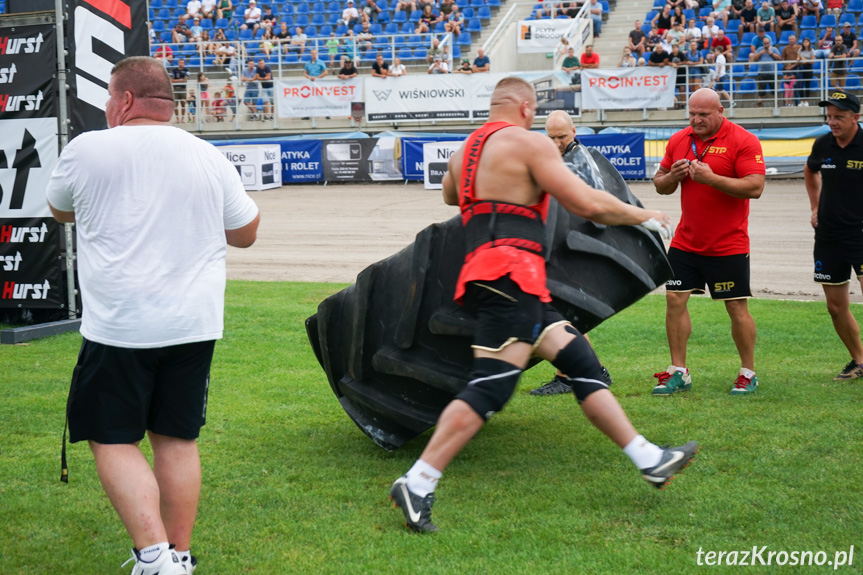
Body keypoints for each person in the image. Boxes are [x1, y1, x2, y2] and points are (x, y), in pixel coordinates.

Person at [387, 77, 697, 534]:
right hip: (511, 279)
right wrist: (643, 215)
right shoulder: (528, 145)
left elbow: (451, 196)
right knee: (489, 387)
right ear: (527, 108)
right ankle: (418, 481)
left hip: (494, 279)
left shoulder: (464, 152)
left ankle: (649, 458)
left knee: (581, 363)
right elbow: (587, 203)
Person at [46, 56, 259, 575]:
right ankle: (178, 557)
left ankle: (154, 555)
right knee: (177, 437)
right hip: (192, 323)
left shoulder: (88, 147)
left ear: (122, 100)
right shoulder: (207, 154)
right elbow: (247, 231)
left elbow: (61, 208)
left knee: (113, 437)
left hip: (120, 324)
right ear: (169, 102)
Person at [652, 88, 765, 396]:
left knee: (735, 307)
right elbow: (660, 185)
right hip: (686, 242)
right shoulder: (679, 139)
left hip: (728, 244)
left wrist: (711, 178)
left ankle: (748, 372)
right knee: (674, 300)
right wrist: (673, 177)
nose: (696, 120)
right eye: (692, 113)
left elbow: (755, 187)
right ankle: (679, 371)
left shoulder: (743, 140)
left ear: (720, 111)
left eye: (703, 114)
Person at [530, 110, 613, 396]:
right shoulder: (560, 157)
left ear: (574, 131)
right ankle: (593, 371)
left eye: (561, 136)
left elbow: (596, 209)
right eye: (550, 137)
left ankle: (573, 374)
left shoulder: (579, 159)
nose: (556, 142)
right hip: (565, 246)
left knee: (563, 314)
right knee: (567, 315)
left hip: (575, 247)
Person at [803, 90, 863, 380]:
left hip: (860, 235)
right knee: (835, 306)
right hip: (828, 235)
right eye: (829, 117)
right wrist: (815, 207)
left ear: (856, 117)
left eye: (839, 117)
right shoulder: (823, 143)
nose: (832, 122)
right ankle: (859, 361)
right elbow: (810, 169)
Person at [750, 36, 780, 107]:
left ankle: (776, 103)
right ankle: (759, 103)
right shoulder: (759, 49)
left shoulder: (774, 49)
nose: (766, 44)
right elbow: (754, 58)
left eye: (767, 43)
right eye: (765, 43)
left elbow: (779, 57)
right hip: (762, 72)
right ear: (763, 44)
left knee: (773, 89)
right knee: (761, 89)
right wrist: (762, 52)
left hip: (772, 72)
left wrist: (770, 53)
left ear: (769, 43)